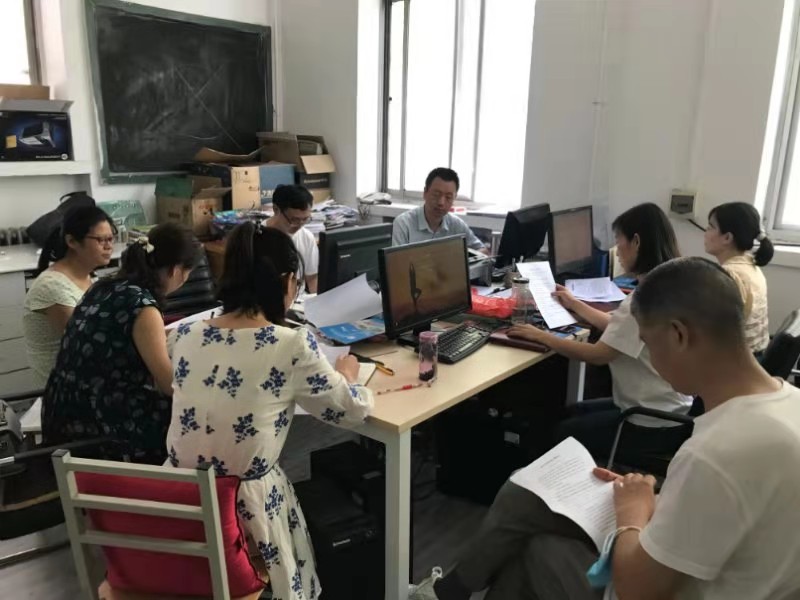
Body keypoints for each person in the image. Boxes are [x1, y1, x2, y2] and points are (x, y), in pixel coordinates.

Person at [413, 257, 800, 600]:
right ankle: (449, 593)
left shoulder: (716, 453)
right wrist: (649, 499)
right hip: (706, 562)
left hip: (657, 584)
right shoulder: (787, 404)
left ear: (679, 335)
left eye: (648, 344)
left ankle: (446, 593)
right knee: (526, 495)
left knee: (537, 550)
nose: (650, 360)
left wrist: (633, 514)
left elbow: (635, 590)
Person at [165, 223, 374, 600]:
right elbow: (349, 410)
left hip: (176, 505)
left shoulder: (182, 335)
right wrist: (348, 375)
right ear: (287, 282)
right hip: (244, 514)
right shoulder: (290, 344)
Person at [507, 203, 692, 463]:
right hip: (670, 410)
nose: (617, 251)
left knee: (561, 432)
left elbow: (598, 355)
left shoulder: (644, 298)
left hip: (649, 422)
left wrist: (542, 336)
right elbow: (620, 326)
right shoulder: (667, 285)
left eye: (619, 241)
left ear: (636, 242)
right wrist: (575, 304)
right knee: (568, 412)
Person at [42, 223, 199, 464]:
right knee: (195, 417)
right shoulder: (143, 306)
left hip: (61, 411)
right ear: (175, 270)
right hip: (99, 424)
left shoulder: (103, 287)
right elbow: (170, 385)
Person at [22, 205, 117, 387]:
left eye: (111, 239)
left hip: (87, 378)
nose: (109, 246)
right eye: (100, 240)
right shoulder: (52, 287)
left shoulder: (89, 278)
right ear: (72, 241)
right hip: (64, 390)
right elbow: (89, 344)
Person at [704, 202, 773, 355]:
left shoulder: (730, 274)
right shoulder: (750, 265)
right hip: (755, 356)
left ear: (727, 237)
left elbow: (716, 330)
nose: (705, 232)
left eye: (710, 227)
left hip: (736, 361)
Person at [391, 167, 486, 250]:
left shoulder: (457, 225)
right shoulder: (404, 223)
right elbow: (397, 262)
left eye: (448, 197)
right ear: (425, 192)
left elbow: (482, 250)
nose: (441, 202)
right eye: (436, 195)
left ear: (454, 198)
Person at [266, 184, 318, 293]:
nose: (300, 225)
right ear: (276, 209)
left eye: (305, 219)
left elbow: (312, 278)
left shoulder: (307, 237)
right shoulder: (257, 236)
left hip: (298, 299)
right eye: (294, 219)